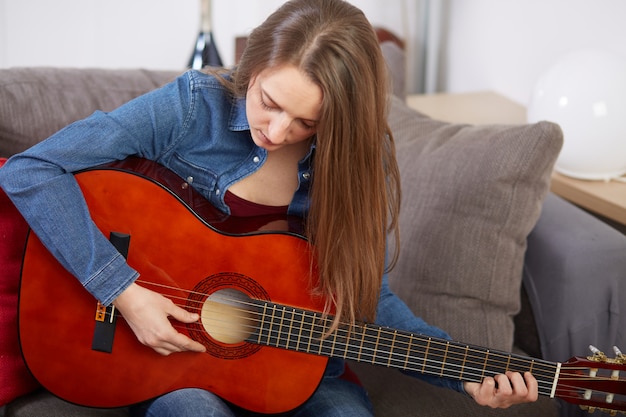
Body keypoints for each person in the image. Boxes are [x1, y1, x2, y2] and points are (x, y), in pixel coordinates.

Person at [0, 0, 538, 416]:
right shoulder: (192, 107)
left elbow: (366, 298)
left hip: (301, 371)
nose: (279, 133)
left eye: (308, 123)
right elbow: (32, 170)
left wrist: (467, 373)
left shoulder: (356, 161)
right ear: (252, 67)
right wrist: (122, 289)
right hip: (175, 366)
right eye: (270, 103)